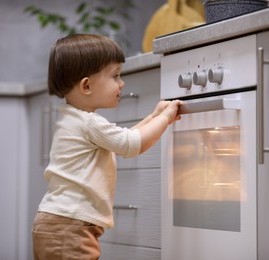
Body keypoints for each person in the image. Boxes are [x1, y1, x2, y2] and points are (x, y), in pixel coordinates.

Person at [32, 34, 182, 260]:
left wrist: (154, 116)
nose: (121, 83)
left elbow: (126, 138)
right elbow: (133, 144)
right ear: (87, 85)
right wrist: (167, 117)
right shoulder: (89, 123)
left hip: (60, 222)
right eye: (115, 76)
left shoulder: (75, 119)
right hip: (69, 226)